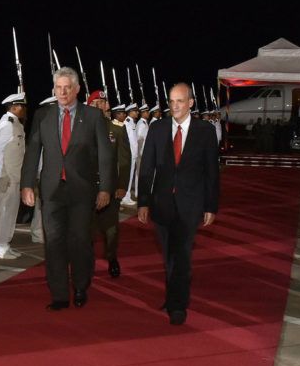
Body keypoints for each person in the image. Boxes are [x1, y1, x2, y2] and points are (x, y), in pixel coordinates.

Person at [20, 67, 113, 310]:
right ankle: (59, 293)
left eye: (67, 87)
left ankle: (81, 285)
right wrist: (27, 184)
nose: (62, 92)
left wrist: (105, 188)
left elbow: (105, 155)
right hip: (52, 191)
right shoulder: (43, 116)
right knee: (54, 242)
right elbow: (32, 152)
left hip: (82, 191)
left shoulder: (92, 117)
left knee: (80, 240)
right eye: (58, 87)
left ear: (77, 89)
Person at [137, 82, 220, 325]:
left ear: (190, 103)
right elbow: (146, 168)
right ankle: (173, 296)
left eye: (180, 101)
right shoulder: (158, 128)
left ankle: (178, 305)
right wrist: (143, 201)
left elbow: (211, 172)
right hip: (161, 203)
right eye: (171, 101)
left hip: (191, 205)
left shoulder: (205, 131)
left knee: (182, 255)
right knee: (169, 256)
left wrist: (211, 206)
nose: (175, 106)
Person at [89, 90, 131, 277]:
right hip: (87, 188)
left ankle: (112, 257)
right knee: (85, 227)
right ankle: (86, 260)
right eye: (95, 102)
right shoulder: (79, 128)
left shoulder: (117, 128)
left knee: (111, 228)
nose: (99, 105)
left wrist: (122, 184)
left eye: (102, 102)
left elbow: (124, 159)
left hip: (110, 186)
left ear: (107, 106)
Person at [0, 92, 27, 259]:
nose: (24, 109)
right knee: (4, 211)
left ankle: (5, 243)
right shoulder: (7, 124)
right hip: (7, 176)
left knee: (11, 212)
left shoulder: (17, 124)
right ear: (14, 107)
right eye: (22, 106)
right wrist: (1, 174)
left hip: (15, 175)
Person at [28, 95, 57, 245]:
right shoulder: (43, 128)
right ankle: (38, 233)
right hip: (42, 172)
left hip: (51, 173)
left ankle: (44, 232)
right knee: (40, 205)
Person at [121, 102, 140, 206]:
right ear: (130, 112)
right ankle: (125, 197)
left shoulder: (132, 122)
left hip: (133, 154)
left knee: (130, 176)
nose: (137, 113)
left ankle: (127, 195)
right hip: (130, 154)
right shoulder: (127, 122)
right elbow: (127, 140)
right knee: (128, 176)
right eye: (135, 111)